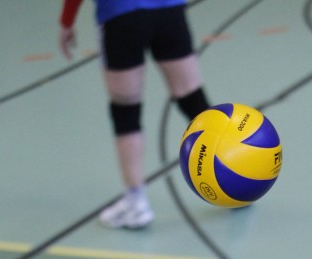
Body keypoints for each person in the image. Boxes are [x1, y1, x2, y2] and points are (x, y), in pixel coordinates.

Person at [59, 0, 211, 228]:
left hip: (121, 15)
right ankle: (234, 180)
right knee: (192, 98)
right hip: (169, 11)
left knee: (125, 112)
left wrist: (66, 21)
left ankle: (136, 204)